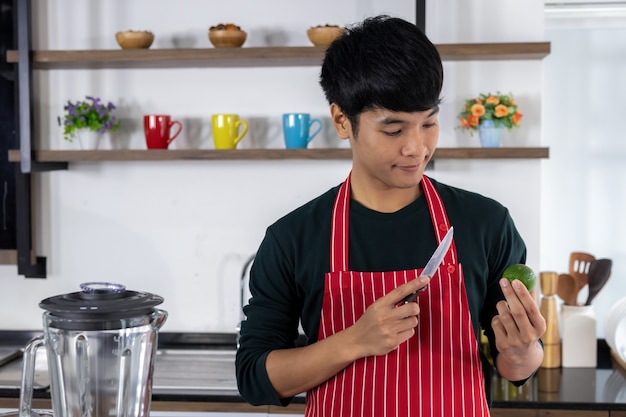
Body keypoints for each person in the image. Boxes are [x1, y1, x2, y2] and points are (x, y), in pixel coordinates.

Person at [235, 15, 545, 417]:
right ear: (342, 120)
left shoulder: (486, 223)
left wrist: (522, 350)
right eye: (394, 130)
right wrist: (354, 341)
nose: (417, 148)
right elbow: (255, 378)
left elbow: (515, 367)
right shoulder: (293, 237)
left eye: (429, 123)